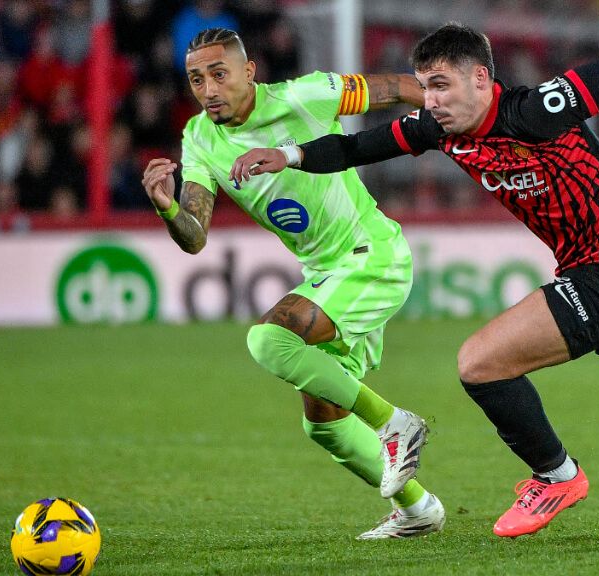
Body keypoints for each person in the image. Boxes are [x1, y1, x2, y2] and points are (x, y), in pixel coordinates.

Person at [232, 23, 599, 539]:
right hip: (595, 267)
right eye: (424, 88)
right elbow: (359, 145)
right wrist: (288, 156)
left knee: (480, 362)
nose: (430, 101)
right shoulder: (437, 129)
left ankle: (556, 476)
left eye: (441, 86)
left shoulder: (534, 111)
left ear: (481, 78)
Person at [141, 28, 444, 540]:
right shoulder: (200, 138)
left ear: (249, 71)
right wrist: (167, 206)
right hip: (328, 275)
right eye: (197, 79)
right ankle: (418, 509)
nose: (209, 89)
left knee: (269, 338)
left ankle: (396, 423)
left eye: (219, 74)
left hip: (372, 257)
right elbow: (194, 237)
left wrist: (470, 112)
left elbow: (396, 87)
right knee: (323, 421)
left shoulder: (307, 96)